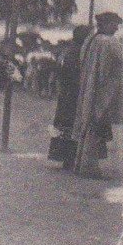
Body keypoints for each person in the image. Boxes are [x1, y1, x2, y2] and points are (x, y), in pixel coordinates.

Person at [71, 12, 123, 178]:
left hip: (89, 87)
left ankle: (80, 164)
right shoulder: (109, 42)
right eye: (114, 24)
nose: (116, 27)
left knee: (88, 124)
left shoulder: (91, 40)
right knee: (95, 126)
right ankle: (89, 167)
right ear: (107, 24)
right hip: (102, 90)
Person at [48, 25, 90, 169]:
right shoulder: (77, 52)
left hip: (67, 93)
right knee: (71, 124)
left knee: (66, 124)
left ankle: (67, 158)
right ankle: (69, 159)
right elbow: (73, 75)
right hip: (73, 93)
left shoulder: (70, 50)